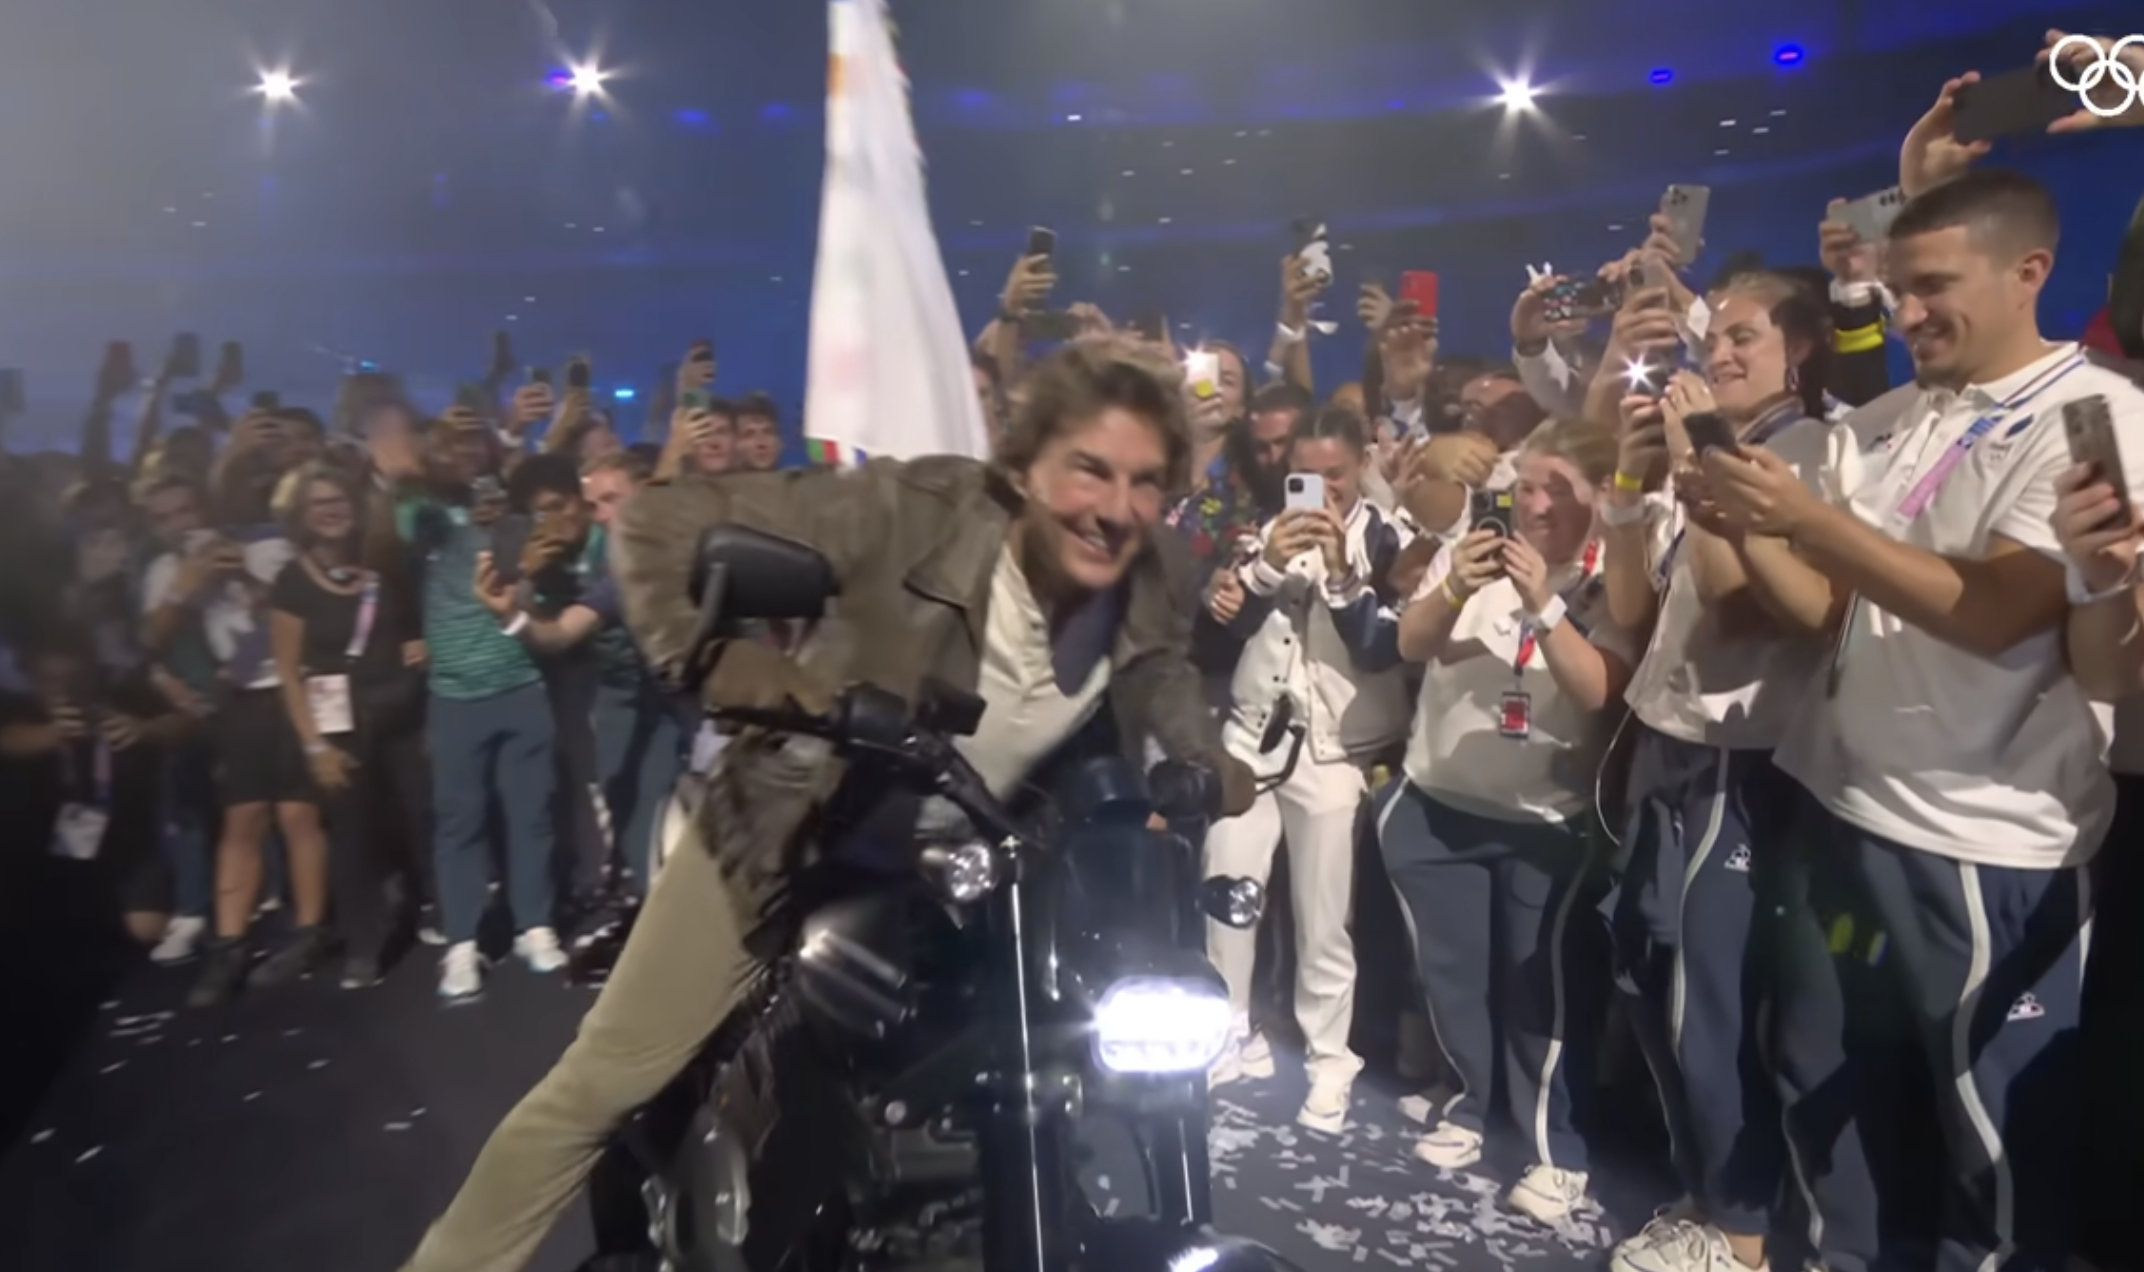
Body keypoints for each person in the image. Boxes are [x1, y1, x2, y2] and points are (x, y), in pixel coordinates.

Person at [399, 338, 1255, 1272]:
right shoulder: (913, 509)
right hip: (791, 834)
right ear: (1024, 466)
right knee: (607, 1078)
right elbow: (652, 530)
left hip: (977, 865)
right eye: (1090, 470)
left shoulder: (1153, 561)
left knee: (1060, 1068)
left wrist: (1201, 754)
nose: (1116, 507)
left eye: (1143, 481)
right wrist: (753, 676)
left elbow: (1158, 663)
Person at [1704, 169, 2144, 1272]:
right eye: (1896, 288)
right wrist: (1747, 520)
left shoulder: (2095, 421)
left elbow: (1995, 615)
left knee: (1987, 1144)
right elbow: (1826, 611)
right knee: (1815, 1092)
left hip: (1975, 842)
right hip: (1832, 806)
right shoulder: (1898, 417)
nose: (1904, 314)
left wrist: (1806, 514)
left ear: (2027, 273)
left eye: (1932, 286)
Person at [1597, 271, 1842, 1272]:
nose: (1721, 353)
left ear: (1799, 351)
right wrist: (1625, 479)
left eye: (1745, 336)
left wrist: (1702, 460)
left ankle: (1739, 1231)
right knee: (1648, 974)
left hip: (1739, 764)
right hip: (1663, 749)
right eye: (1716, 336)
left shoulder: (1814, 451)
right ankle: (1704, 1194)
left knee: (1713, 1000)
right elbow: (1628, 611)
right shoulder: (1712, 457)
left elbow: (1738, 602)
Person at [1379, 417, 1635, 1225]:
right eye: (1527, 486)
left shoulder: (1613, 578)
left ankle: (1555, 1150)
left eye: (1560, 488)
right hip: (1439, 806)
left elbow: (1601, 691)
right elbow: (1413, 641)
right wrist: (1454, 582)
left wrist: (1543, 605)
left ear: (1597, 496)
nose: (1538, 503)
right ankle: (1475, 1105)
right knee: (1456, 985)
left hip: (1544, 822)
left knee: (1541, 997)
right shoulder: (1476, 557)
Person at [1201, 407, 1411, 1132]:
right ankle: (1231, 1035)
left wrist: (1347, 575)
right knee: (1227, 886)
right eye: (1308, 476)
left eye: (1337, 476)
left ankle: (1330, 1064)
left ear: (1360, 467)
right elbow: (1219, 627)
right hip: (1251, 739)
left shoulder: (1392, 539)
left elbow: (1385, 649)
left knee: (1325, 922)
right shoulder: (1262, 533)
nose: (1322, 493)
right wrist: (1256, 570)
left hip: (1334, 752)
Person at [266, 462, 429, 988]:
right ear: (302, 516)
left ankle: (434, 913)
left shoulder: (380, 570)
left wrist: (415, 646)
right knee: (352, 836)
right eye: (320, 503)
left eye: (339, 499)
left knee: (420, 815)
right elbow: (288, 673)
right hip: (339, 726)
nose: (333, 510)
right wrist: (314, 747)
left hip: (397, 715)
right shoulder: (292, 582)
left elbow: (408, 632)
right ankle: (364, 945)